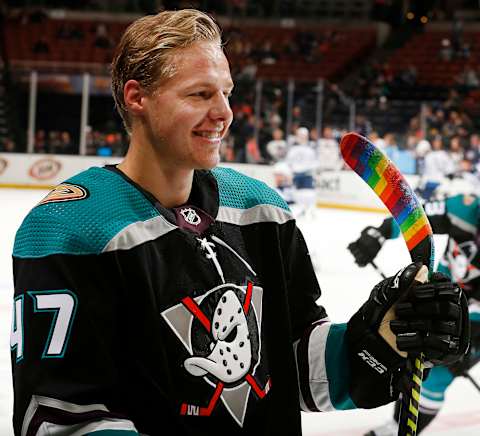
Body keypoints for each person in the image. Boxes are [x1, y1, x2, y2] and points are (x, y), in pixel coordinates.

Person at [11, 9, 470, 436]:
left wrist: (377, 342)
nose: (224, 113)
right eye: (199, 94)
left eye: (226, 92)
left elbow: (295, 365)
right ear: (137, 98)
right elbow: (59, 418)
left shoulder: (259, 209)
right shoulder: (70, 227)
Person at [348, 192, 480, 435]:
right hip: (437, 296)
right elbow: (416, 216)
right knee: (401, 347)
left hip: (475, 318)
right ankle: (397, 421)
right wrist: (381, 231)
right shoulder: (465, 208)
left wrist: (471, 342)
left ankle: (398, 429)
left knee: (439, 370)